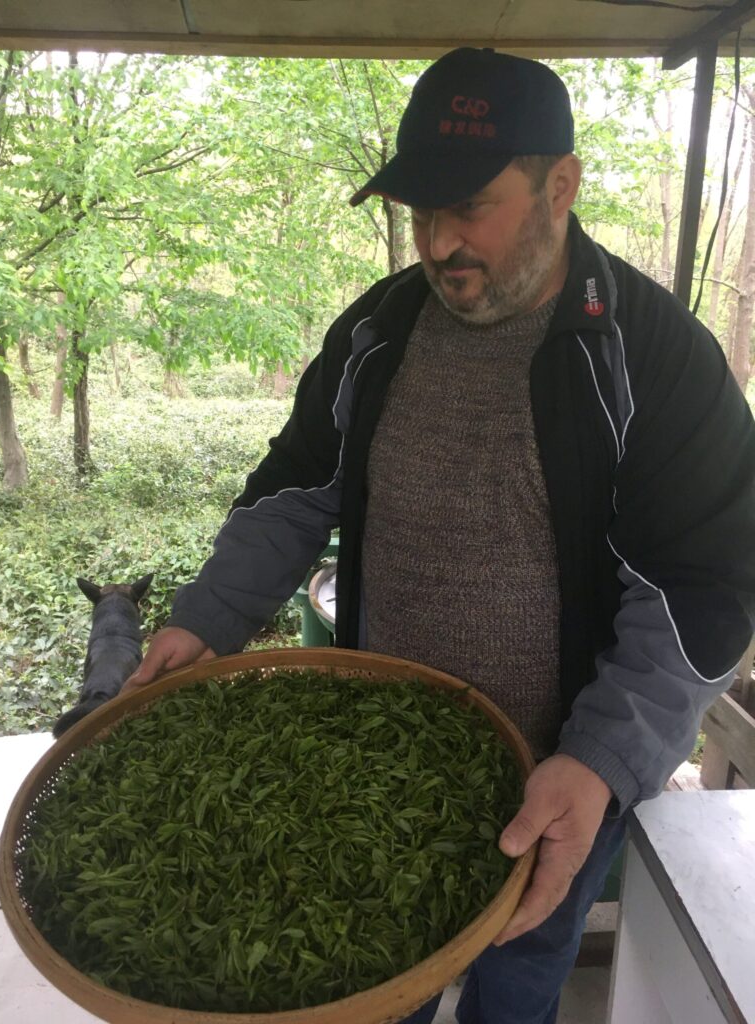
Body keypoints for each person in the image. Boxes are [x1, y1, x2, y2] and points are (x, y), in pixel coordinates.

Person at [125, 48, 755, 1024]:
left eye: (471, 206)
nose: (439, 242)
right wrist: (210, 616)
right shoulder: (378, 329)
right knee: (380, 981)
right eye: (421, 211)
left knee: (514, 994)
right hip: (387, 767)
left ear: (562, 186)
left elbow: (703, 590)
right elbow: (300, 484)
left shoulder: (655, 356)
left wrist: (599, 764)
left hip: (557, 782)